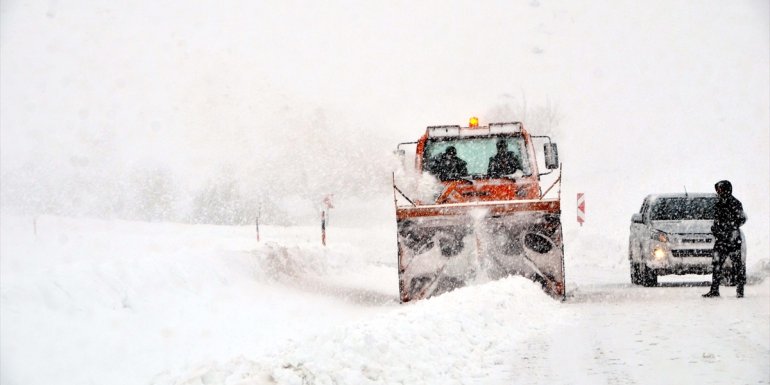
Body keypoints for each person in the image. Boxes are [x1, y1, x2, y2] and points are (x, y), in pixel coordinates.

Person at [703, 180, 747, 298]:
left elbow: (742, 219)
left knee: (737, 265)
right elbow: (717, 219)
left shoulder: (735, 203)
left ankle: (740, 290)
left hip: (732, 239)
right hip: (721, 239)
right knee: (717, 264)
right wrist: (715, 228)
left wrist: (729, 227)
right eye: (717, 190)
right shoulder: (719, 203)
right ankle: (714, 290)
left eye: (720, 189)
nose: (718, 192)